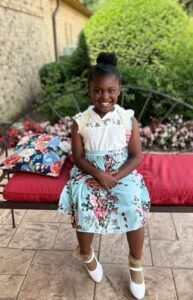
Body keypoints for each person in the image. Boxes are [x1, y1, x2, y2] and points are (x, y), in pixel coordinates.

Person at [58, 52, 151, 300]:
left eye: (110, 90)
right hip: (90, 169)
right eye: (98, 90)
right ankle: (86, 254)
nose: (105, 96)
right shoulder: (81, 121)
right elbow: (78, 158)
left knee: (133, 204)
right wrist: (99, 174)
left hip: (121, 171)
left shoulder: (127, 119)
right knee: (84, 203)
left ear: (119, 90)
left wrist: (116, 176)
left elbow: (136, 157)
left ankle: (136, 264)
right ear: (90, 91)